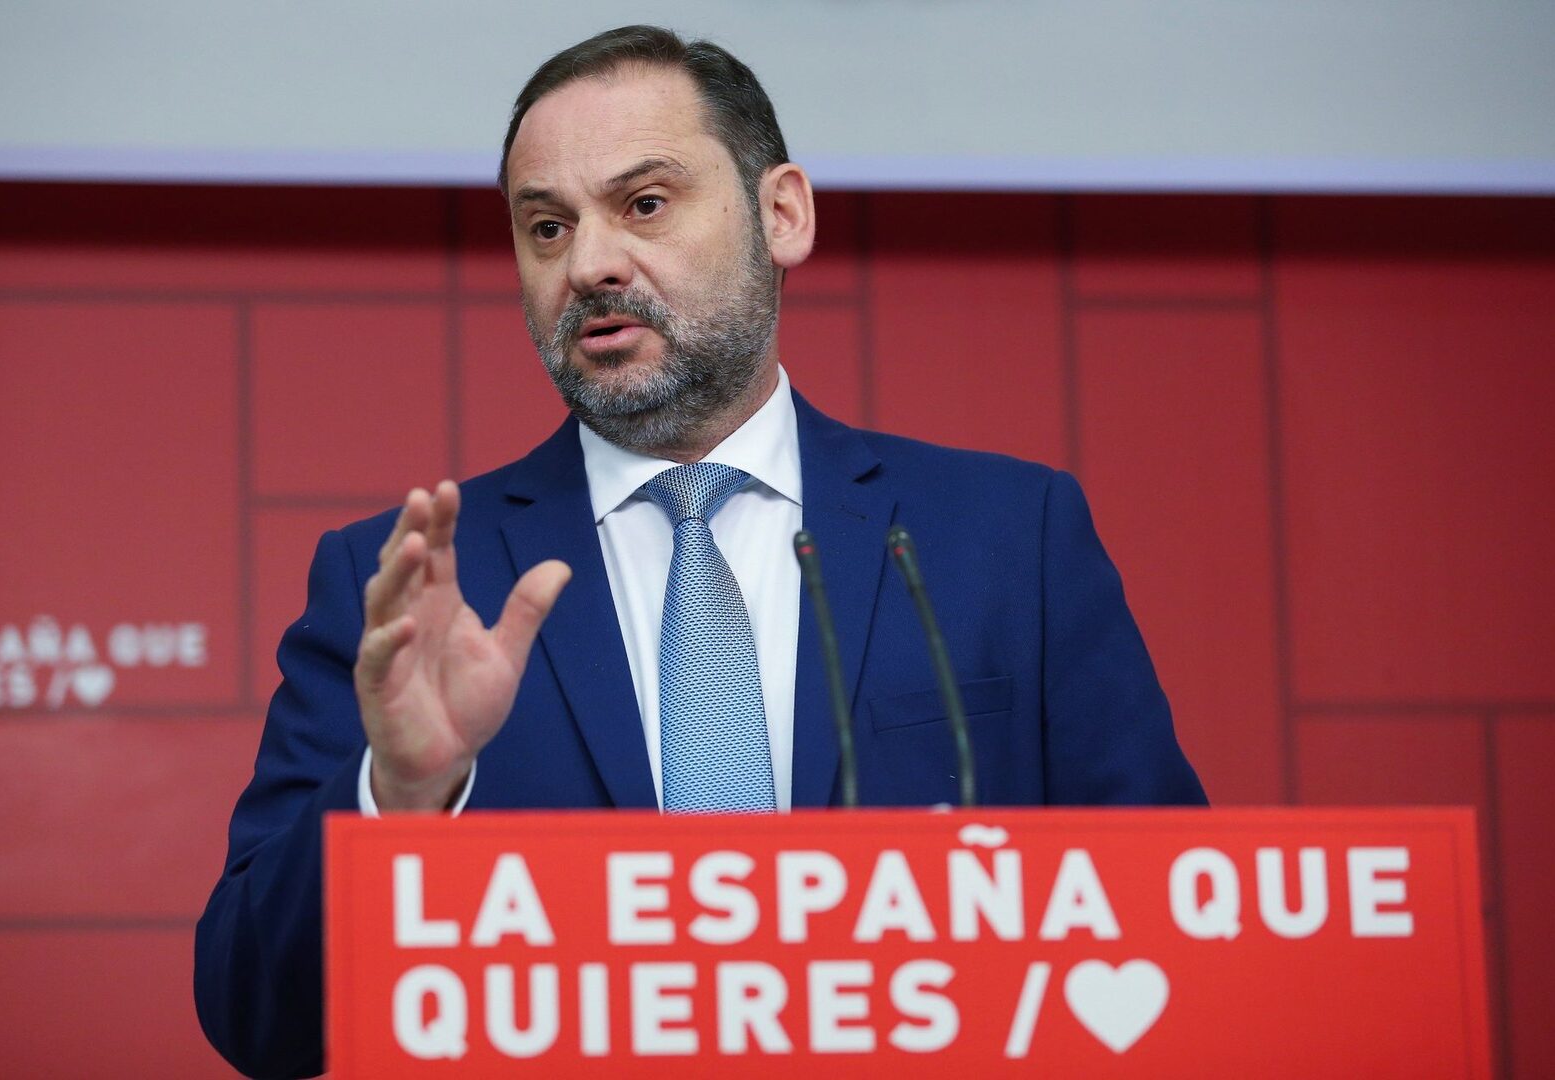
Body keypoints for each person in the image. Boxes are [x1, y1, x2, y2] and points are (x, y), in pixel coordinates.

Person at [195, 24, 1205, 1078]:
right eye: (546, 227)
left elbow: (1168, 924)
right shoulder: (408, 589)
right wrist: (399, 795)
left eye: (643, 204)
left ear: (782, 214)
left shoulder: (1004, 537)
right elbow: (255, 1016)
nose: (588, 264)